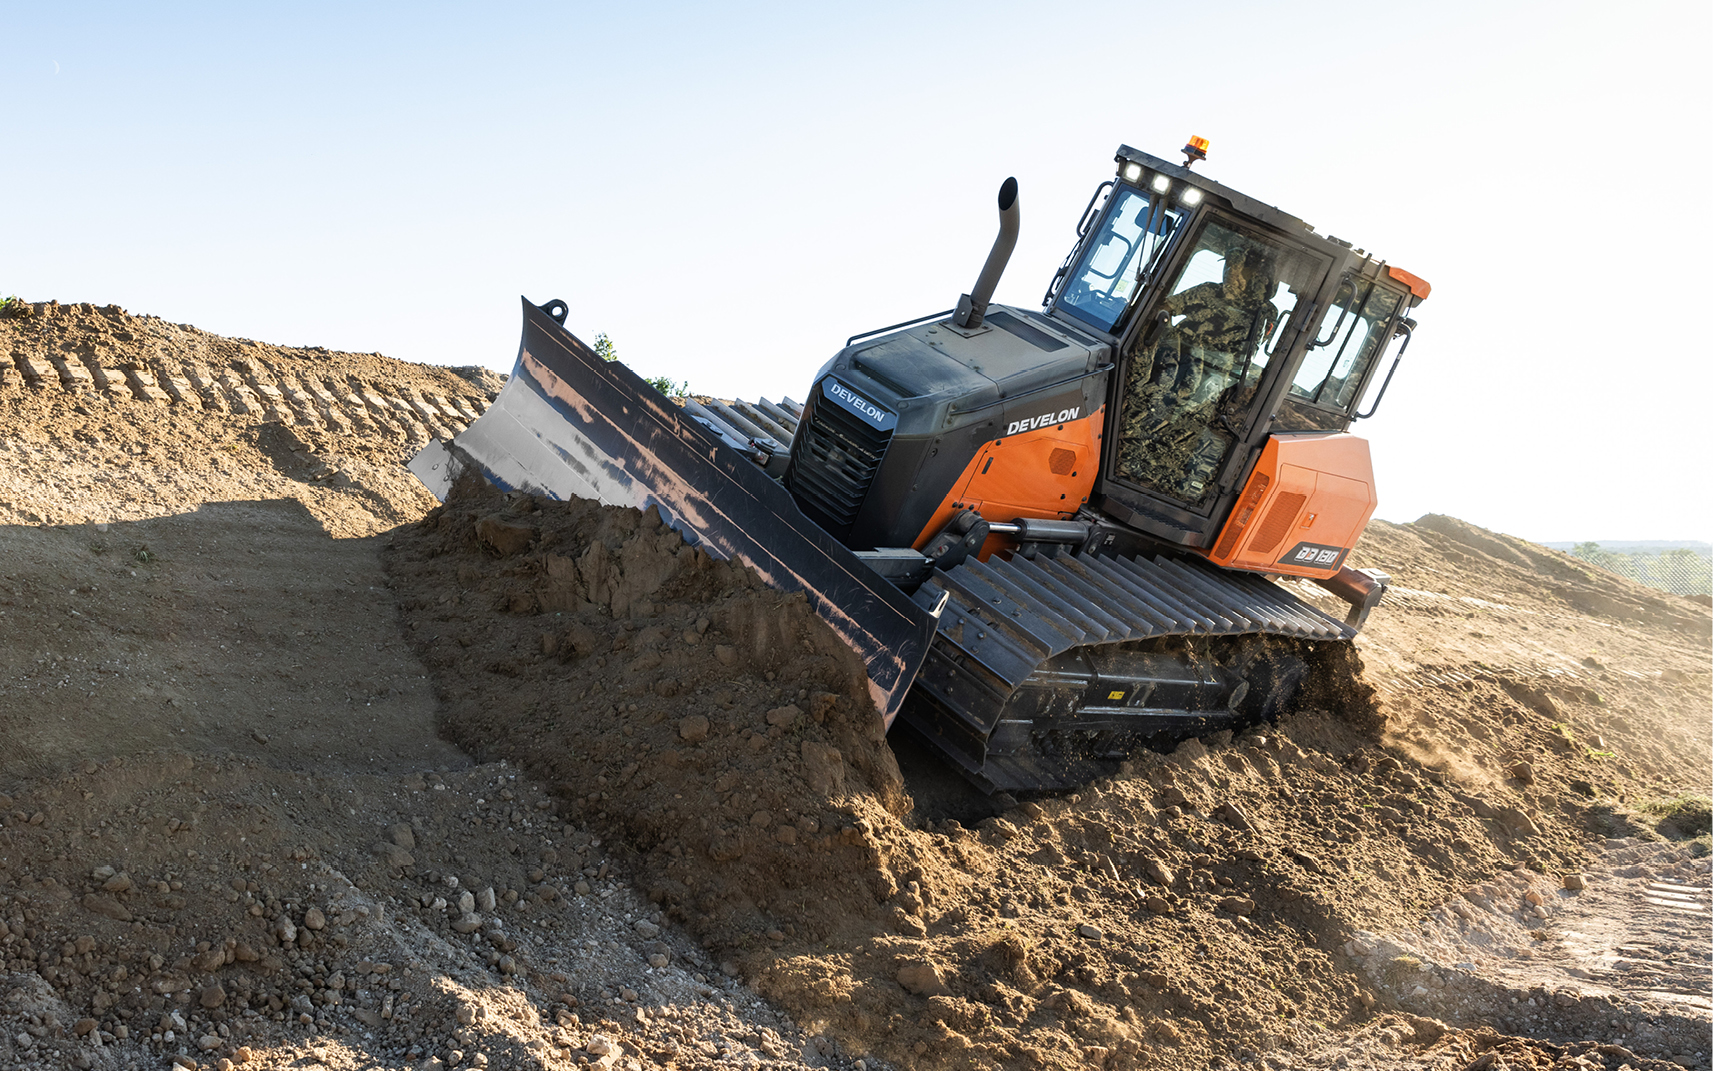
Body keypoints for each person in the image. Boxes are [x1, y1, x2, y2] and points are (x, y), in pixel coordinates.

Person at [1117, 240, 1279, 499]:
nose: (1233, 276)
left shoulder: (1264, 312)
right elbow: (1167, 309)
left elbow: (1251, 350)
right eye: (1231, 268)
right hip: (1181, 356)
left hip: (1213, 372)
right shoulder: (1209, 292)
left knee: (1178, 413)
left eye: (1239, 270)